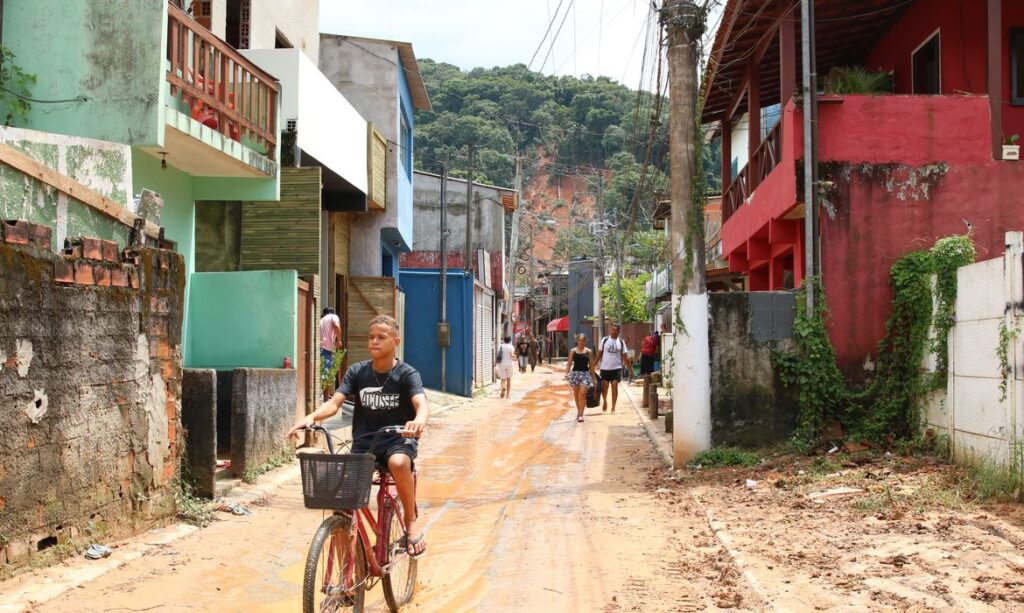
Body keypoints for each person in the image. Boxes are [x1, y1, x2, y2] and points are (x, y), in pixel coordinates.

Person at [287, 315, 429, 557]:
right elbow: (334, 403)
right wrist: (311, 418)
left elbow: (421, 404)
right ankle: (346, 566)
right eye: (371, 337)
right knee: (340, 498)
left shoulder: (407, 374)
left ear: (395, 341)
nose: (374, 341)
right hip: (365, 444)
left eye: (381, 337)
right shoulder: (357, 372)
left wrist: (418, 421)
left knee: (398, 463)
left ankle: (410, 520)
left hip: (398, 439)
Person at [596, 324, 632, 413]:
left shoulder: (621, 342)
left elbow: (625, 357)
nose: (614, 332)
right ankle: (604, 401)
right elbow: (599, 354)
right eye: (612, 330)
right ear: (610, 330)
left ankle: (613, 407)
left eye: (616, 330)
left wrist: (631, 370)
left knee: (614, 386)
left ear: (619, 332)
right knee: (605, 388)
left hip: (616, 368)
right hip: (605, 368)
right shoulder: (604, 340)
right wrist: (593, 365)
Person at [564, 333, 596, 423]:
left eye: (583, 340)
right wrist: (566, 373)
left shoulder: (589, 351)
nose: (581, 342)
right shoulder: (573, 351)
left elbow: (592, 365)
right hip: (575, 374)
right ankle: (579, 412)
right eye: (580, 340)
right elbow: (569, 363)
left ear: (585, 341)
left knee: (582, 394)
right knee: (576, 395)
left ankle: (581, 415)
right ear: (577, 341)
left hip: (585, 374)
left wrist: (593, 378)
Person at [319, 307, 343, 401]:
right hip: (325, 349)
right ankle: (325, 399)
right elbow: (336, 325)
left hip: (320, 349)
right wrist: (339, 340)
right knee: (326, 374)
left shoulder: (321, 320)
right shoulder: (333, 316)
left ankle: (326, 396)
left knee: (324, 373)